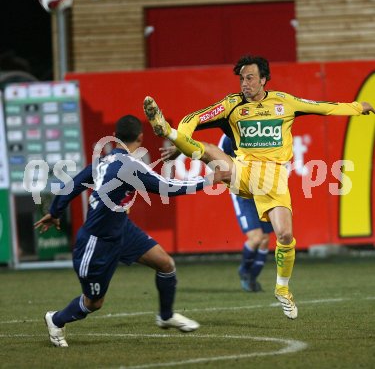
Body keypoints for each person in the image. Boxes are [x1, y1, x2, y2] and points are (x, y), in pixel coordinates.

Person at [143, 54, 375, 320]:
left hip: (274, 180)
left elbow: (325, 107)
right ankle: (165, 130)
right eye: (242, 78)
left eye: (250, 78)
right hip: (243, 171)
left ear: (264, 79)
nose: (245, 83)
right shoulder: (231, 105)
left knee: (285, 236)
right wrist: (179, 137)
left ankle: (283, 290)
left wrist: (358, 107)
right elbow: (194, 117)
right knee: (209, 151)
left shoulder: (284, 102)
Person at [35, 115, 225, 347]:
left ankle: (165, 316)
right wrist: (211, 178)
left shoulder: (103, 161)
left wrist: (55, 211)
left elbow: (72, 186)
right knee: (94, 303)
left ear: (115, 137)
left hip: (121, 230)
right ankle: (56, 319)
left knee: (165, 264)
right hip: (98, 240)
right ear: (141, 137)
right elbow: (168, 188)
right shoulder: (130, 166)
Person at [218, 134, 273, 293]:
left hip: (262, 192)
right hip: (242, 193)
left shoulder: (261, 131)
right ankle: (244, 270)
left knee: (264, 239)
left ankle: (252, 278)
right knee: (256, 238)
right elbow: (217, 158)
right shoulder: (229, 135)